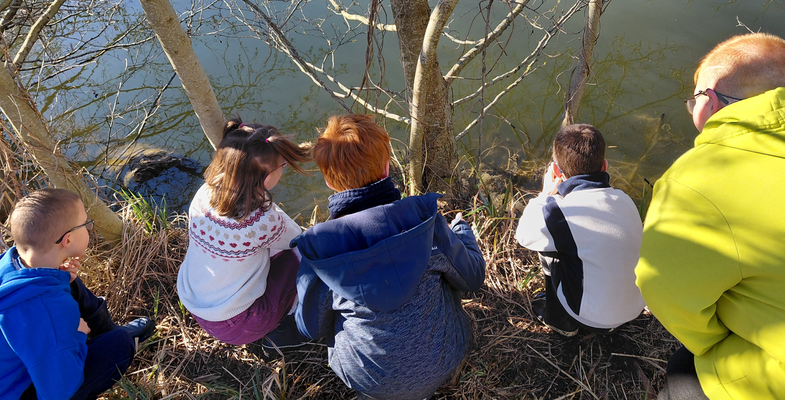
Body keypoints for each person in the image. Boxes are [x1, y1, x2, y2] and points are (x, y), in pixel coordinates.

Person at [636, 32, 785, 400]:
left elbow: (663, 289)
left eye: (692, 101)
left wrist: (714, 344)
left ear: (708, 102)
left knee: (683, 372)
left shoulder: (695, 182)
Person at [291, 114, 485, 400]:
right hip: (444, 358)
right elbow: (473, 277)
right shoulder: (424, 221)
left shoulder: (320, 250)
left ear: (329, 182)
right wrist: (462, 231)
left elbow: (309, 327)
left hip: (368, 380)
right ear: (386, 167)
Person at [0, 188, 155, 400]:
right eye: (85, 223)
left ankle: (105, 330)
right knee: (120, 344)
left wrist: (62, 279)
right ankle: (106, 337)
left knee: (69, 281)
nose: (89, 227)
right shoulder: (49, 313)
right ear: (68, 240)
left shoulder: (9, 262)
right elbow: (59, 391)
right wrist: (78, 335)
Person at [177, 118, 312, 348]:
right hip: (241, 325)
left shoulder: (204, 193)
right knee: (305, 253)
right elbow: (295, 237)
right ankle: (285, 324)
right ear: (266, 177)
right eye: (282, 165)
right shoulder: (261, 220)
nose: (283, 170)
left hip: (198, 306)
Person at [516, 123, 645, 336]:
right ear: (605, 166)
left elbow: (523, 235)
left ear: (555, 172)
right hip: (635, 308)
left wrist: (544, 194)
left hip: (592, 318)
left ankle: (561, 322)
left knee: (547, 247)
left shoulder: (559, 212)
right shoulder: (625, 199)